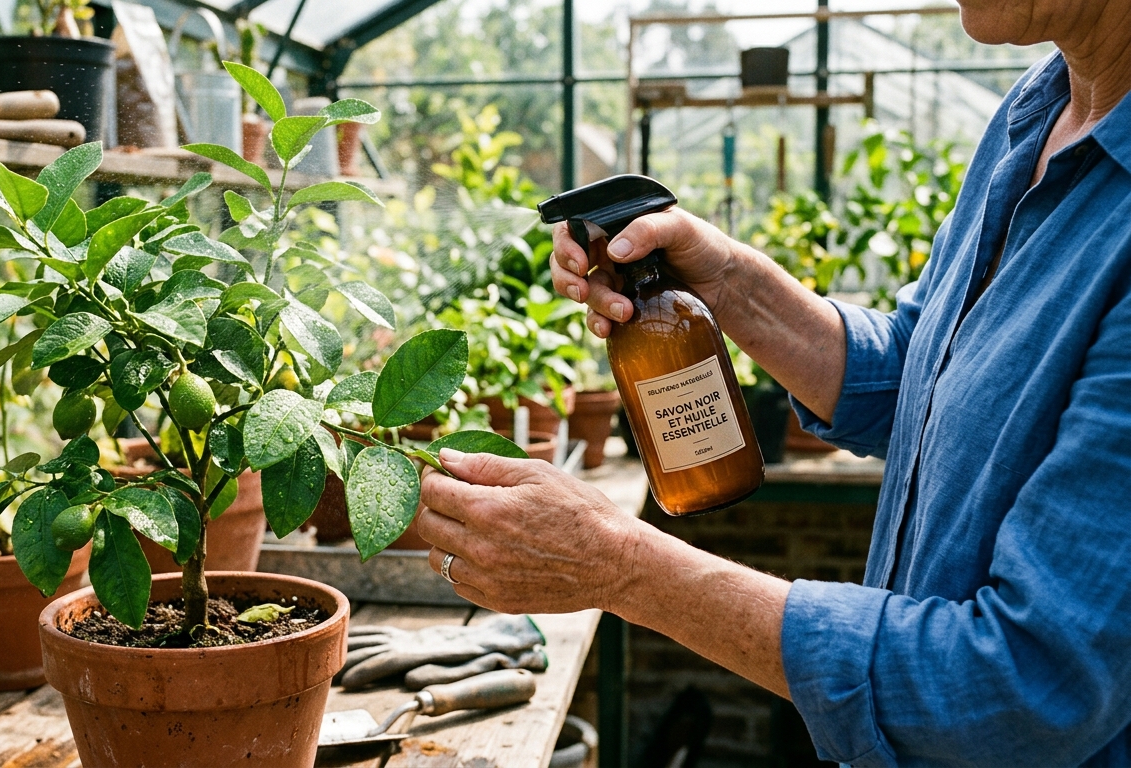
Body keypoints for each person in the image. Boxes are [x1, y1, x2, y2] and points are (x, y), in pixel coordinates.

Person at [415, 1, 1131, 764]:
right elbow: (919, 382)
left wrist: (621, 566)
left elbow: (1026, 688)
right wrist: (724, 277)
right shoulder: (1035, 111)